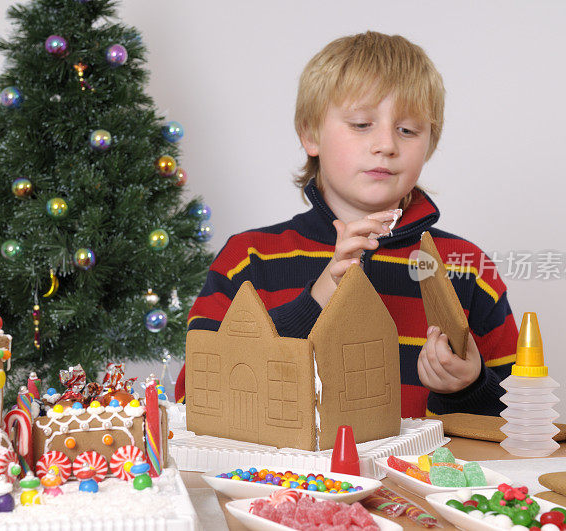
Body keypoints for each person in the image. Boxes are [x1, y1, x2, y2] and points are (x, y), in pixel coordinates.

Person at [175, 31, 517, 418]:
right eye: (360, 124)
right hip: (284, 480)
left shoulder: (467, 267)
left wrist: (467, 387)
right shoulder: (247, 258)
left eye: (407, 130)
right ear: (310, 135)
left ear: (430, 144)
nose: (386, 144)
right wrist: (317, 298)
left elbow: (519, 420)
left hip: (415, 478)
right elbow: (196, 400)